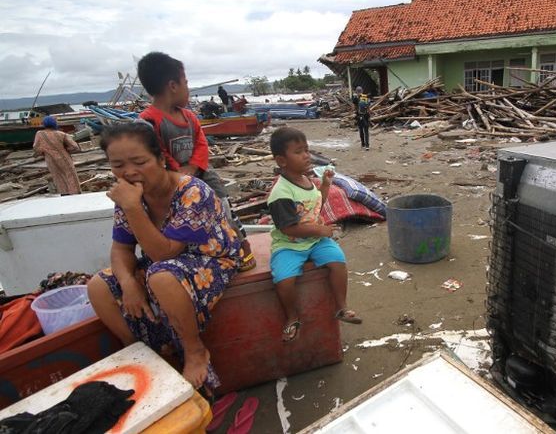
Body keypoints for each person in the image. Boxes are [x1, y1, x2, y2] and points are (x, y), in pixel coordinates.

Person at [87, 122, 241, 389]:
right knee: (99, 286)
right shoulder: (130, 196)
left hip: (213, 259)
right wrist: (128, 283)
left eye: (139, 162)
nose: (129, 172)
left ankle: (195, 350)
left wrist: (133, 207)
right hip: (164, 264)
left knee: (161, 276)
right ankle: (142, 352)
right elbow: (121, 248)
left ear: (160, 159)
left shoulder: (193, 191)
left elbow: (165, 253)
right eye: (118, 165)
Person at [136, 52, 256, 271]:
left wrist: (192, 167)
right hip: (170, 179)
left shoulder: (189, 116)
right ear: (173, 86)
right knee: (178, 218)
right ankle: (193, 257)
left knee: (224, 206)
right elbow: (156, 152)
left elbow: (201, 143)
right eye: (186, 83)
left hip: (201, 171)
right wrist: (178, 172)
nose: (188, 88)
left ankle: (240, 246)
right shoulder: (148, 121)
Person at [268, 127, 362, 342]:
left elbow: (316, 205)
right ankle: (292, 317)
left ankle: (341, 307)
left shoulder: (306, 180)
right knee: (284, 280)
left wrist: (326, 185)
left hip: (314, 240)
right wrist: (320, 229)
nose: (306, 156)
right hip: (289, 244)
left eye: (306, 150)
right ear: (282, 161)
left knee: (338, 261)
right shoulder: (281, 193)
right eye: (298, 152)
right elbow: (288, 228)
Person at [32, 115, 82, 195]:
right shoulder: (62, 134)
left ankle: (64, 193)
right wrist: (67, 150)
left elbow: (36, 147)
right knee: (70, 175)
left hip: (50, 159)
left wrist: (43, 152)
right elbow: (75, 147)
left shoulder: (39, 134)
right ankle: (74, 193)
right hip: (64, 157)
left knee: (57, 176)